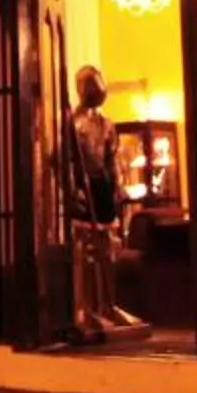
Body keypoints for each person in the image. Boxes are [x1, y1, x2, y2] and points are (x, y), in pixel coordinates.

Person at [63, 66, 138, 343]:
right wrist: (73, 189)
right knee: (84, 249)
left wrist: (117, 186)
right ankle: (85, 309)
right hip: (84, 188)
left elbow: (112, 157)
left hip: (103, 188)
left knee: (107, 249)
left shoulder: (106, 124)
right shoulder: (72, 122)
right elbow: (65, 159)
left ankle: (109, 304)